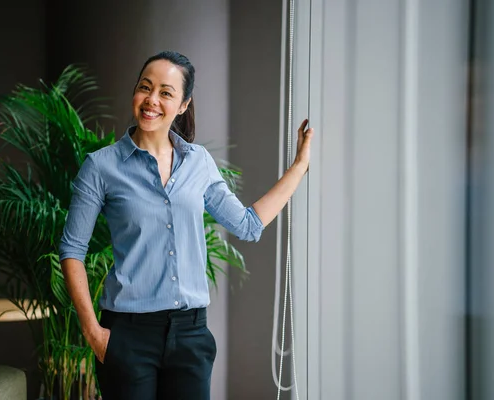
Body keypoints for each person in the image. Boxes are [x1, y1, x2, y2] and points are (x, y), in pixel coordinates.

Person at [59, 50, 313, 400]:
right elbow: (72, 251)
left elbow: (248, 225)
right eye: (145, 88)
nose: (152, 100)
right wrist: (92, 331)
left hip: (191, 335)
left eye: (166, 92)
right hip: (128, 335)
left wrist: (299, 167)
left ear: (182, 105)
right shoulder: (101, 167)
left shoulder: (199, 163)